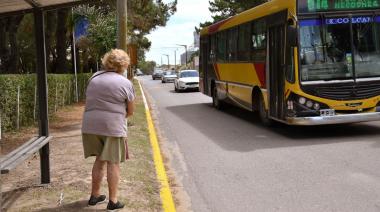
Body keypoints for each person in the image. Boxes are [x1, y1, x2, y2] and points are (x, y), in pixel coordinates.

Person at [81, 49, 135, 211]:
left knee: (99, 159)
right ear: (124, 65)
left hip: (90, 125)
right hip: (112, 127)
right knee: (113, 162)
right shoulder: (125, 83)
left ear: (106, 61)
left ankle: (94, 195)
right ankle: (113, 201)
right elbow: (130, 111)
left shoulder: (94, 78)